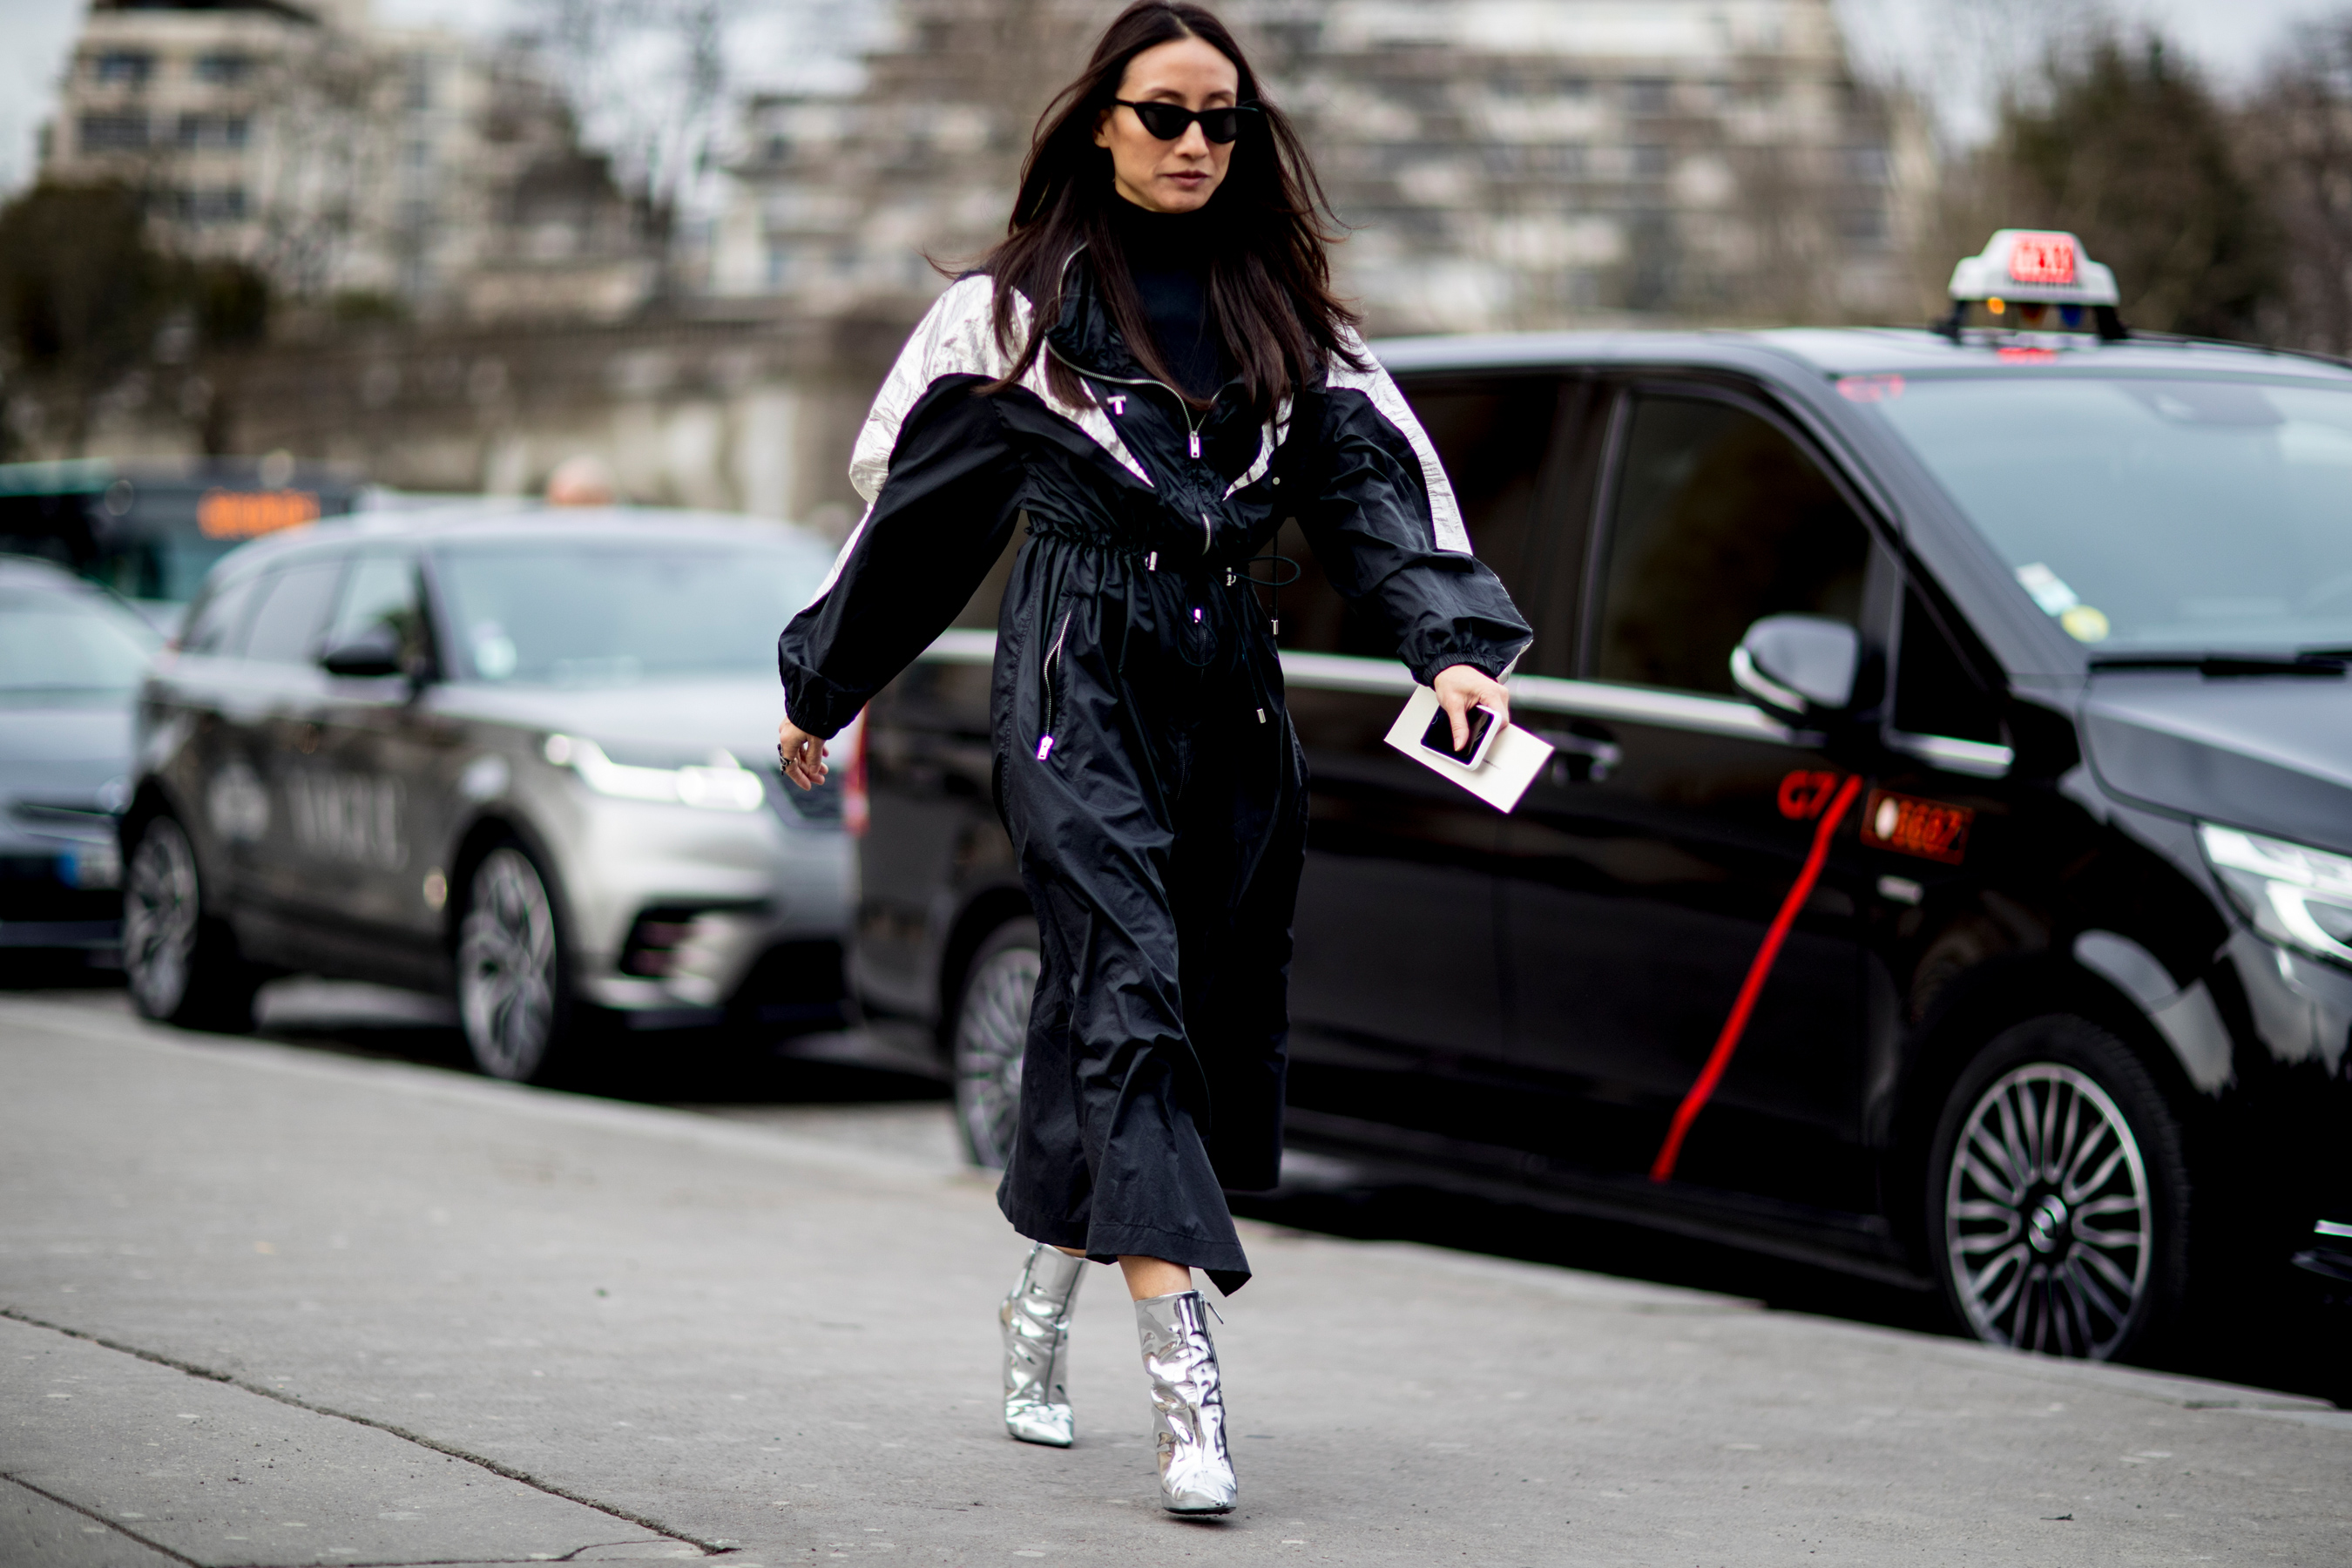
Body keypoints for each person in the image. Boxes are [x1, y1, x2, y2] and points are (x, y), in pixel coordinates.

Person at [774, 0, 1529, 1517]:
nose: (1196, 144)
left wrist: (1449, 648)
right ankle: (1188, 1389)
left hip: (1228, 693)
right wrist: (826, 683)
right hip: (1073, 678)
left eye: (1221, 121)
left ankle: (1038, 1305)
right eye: (1166, 115)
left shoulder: (1290, 323)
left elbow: (1376, 493)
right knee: (1125, 984)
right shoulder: (1016, 314)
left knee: (1158, 998)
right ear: (1100, 124)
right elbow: (914, 519)